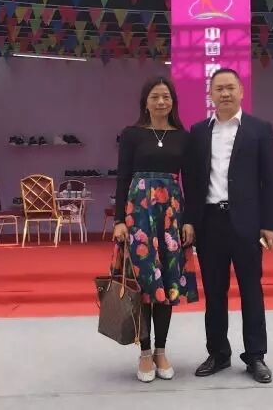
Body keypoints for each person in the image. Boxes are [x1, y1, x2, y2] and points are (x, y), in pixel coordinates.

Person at [185, 68, 273, 384]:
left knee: (251, 289)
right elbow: (191, 181)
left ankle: (255, 356)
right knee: (214, 292)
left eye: (230, 88)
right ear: (210, 94)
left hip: (247, 224)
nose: (225, 94)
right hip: (210, 222)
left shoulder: (259, 129)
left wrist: (269, 223)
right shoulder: (198, 132)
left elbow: (270, 179)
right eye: (219, 89)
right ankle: (218, 353)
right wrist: (190, 220)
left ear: (241, 91)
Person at [112, 76, 198, 383]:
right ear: (145, 103)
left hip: (171, 216)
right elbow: (123, 178)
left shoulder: (183, 137)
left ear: (173, 102)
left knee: (168, 283)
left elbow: (191, 181)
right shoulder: (132, 134)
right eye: (155, 97)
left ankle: (161, 350)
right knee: (144, 283)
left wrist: (189, 220)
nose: (161, 102)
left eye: (166, 96)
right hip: (138, 216)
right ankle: (145, 352)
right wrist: (119, 221)